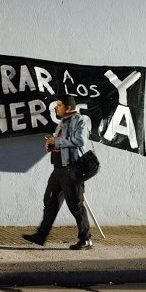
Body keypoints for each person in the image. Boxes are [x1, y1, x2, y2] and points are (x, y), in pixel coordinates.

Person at [23, 94, 93, 250]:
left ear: (68, 108)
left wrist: (58, 141)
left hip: (71, 170)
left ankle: (86, 239)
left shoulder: (79, 121)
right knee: (50, 201)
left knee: (75, 205)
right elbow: (60, 143)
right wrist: (51, 145)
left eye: (59, 105)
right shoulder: (62, 122)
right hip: (58, 170)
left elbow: (80, 140)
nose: (56, 107)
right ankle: (41, 235)